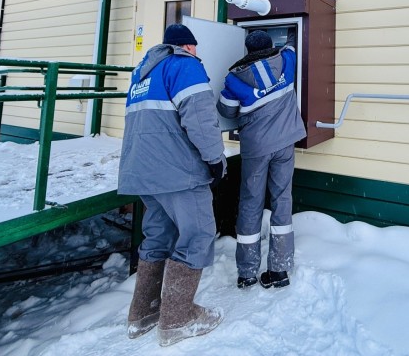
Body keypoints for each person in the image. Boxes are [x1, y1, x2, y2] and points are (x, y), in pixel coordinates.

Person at [118, 23, 227, 347]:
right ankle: (178, 319)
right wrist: (215, 159)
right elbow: (201, 119)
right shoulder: (185, 65)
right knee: (198, 234)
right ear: (188, 47)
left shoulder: (143, 73)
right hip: (178, 171)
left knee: (160, 234)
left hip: (143, 171)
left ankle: (143, 313)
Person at [217, 29, 306, 289]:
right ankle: (279, 270)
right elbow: (292, 45)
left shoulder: (234, 79)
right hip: (285, 143)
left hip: (256, 149)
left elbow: (225, 110)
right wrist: (291, 34)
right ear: (270, 46)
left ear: (247, 50)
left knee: (250, 203)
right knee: (282, 199)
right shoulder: (287, 62)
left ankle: (247, 272)